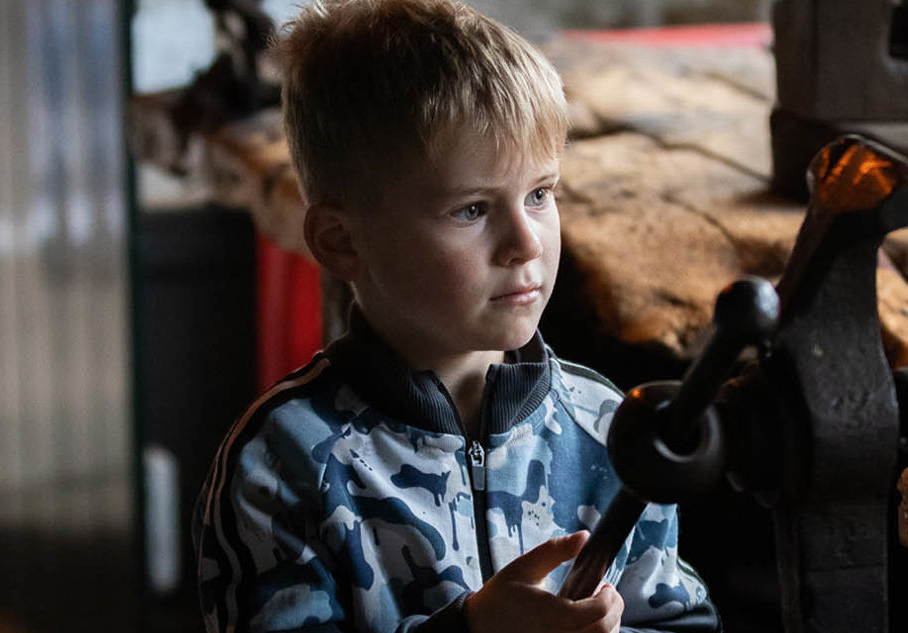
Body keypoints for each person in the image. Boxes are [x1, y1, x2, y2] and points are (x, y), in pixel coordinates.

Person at [194, 1, 719, 631]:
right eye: (472, 209)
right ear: (342, 243)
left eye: (540, 194)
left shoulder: (610, 430)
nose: (526, 242)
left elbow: (682, 621)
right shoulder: (283, 463)